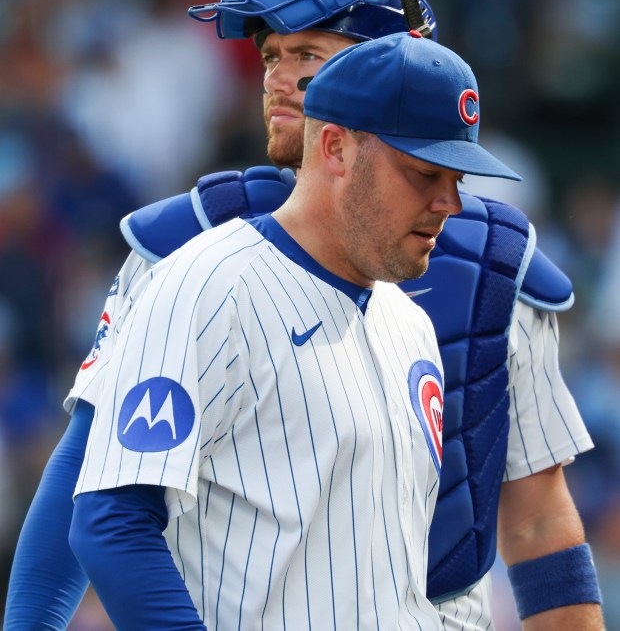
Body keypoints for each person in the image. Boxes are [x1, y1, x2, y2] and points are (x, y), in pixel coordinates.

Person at [5, 0, 604, 630]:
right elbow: (88, 499)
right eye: (272, 56)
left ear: (394, 61)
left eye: (311, 54)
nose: (281, 82)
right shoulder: (185, 249)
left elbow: (539, 524)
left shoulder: (496, 267)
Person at [68, 31, 519, 630]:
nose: (450, 203)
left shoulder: (411, 326)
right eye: (424, 173)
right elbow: (110, 520)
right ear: (334, 148)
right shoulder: (208, 285)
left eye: (457, 179)